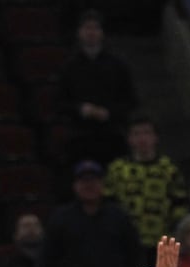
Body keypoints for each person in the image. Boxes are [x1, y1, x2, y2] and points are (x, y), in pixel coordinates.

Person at [58, 7, 137, 166]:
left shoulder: (118, 65)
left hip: (112, 135)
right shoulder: (69, 66)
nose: (91, 32)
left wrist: (109, 113)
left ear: (102, 33)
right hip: (80, 136)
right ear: (79, 32)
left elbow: (131, 100)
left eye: (95, 28)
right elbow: (59, 102)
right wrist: (81, 109)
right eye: (87, 28)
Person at [103, 114, 187, 257]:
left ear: (155, 137)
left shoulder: (169, 169)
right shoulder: (117, 169)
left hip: (161, 243)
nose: (142, 138)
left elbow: (180, 203)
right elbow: (108, 203)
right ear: (129, 139)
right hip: (126, 242)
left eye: (147, 133)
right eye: (136, 134)